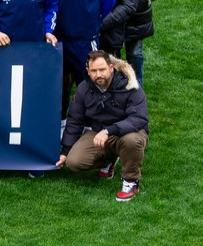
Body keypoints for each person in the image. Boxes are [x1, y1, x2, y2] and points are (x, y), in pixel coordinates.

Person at [57, 52, 149, 202]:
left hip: (129, 133)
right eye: (94, 71)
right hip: (98, 132)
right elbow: (75, 120)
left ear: (111, 68)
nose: (98, 74)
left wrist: (109, 131)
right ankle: (109, 160)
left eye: (102, 70)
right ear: (88, 71)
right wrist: (65, 151)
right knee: (74, 162)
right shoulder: (83, 88)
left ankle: (130, 181)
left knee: (132, 141)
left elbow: (139, 119)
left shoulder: (130, 85)